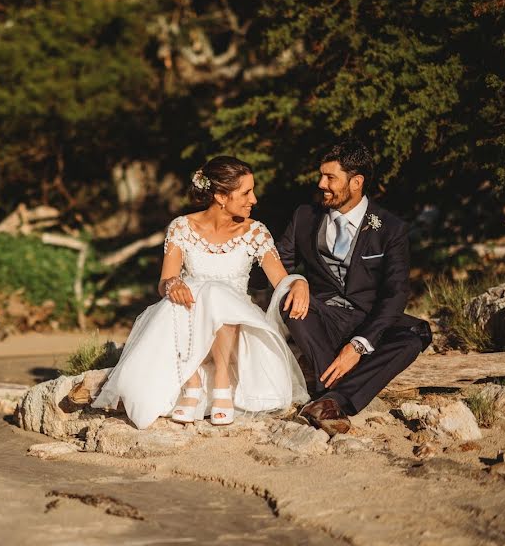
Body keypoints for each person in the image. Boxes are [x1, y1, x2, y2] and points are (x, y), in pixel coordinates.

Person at [91, 156, 311, 429]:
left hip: (234, 330)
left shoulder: (256, 232)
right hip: (190, 325)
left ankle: (221, 382)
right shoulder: (182, 227)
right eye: (246, 192)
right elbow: (165, 281)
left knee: (219, 295)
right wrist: (173, 285)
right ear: (220, 195)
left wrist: (299, 281)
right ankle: (192, 381)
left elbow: (280, 280)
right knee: (186, 291)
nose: (253, 200)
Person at [277, 138, 432, 436]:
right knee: (292, 304)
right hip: (321, 316)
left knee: (416, 335)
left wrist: (359, 345)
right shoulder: (305, 216)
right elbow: (277, 265)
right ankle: (334, 399)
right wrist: (295, 280)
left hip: (366, 319)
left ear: (356, 182)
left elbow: (395, 293)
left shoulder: (390, 227)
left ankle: (329, 398)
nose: (321, 183)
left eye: (330, 177)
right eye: (321, 175)